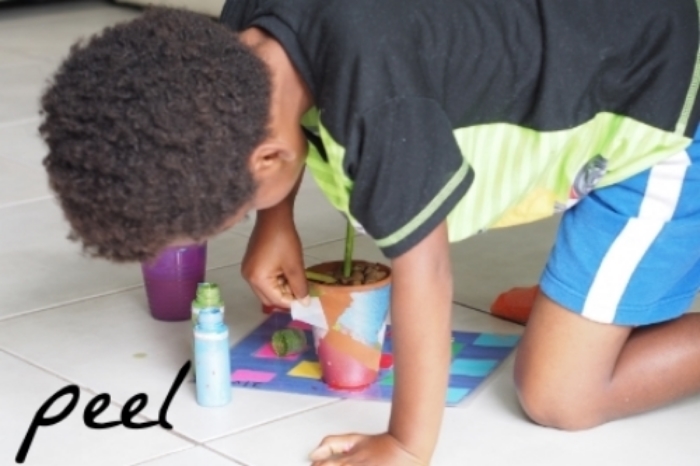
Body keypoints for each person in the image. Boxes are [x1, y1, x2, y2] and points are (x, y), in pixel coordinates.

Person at [39, 0, 700, 464]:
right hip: (593, 52)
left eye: (234, 215)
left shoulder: (378, 104)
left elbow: (428, 274)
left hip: (665, 108)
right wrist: (275, 220)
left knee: (560, 394)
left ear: (268, 159)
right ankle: (590, 303)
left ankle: (600, 313)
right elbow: (265, 118)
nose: (240, 223)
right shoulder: (236, 40)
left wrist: (407, 445)